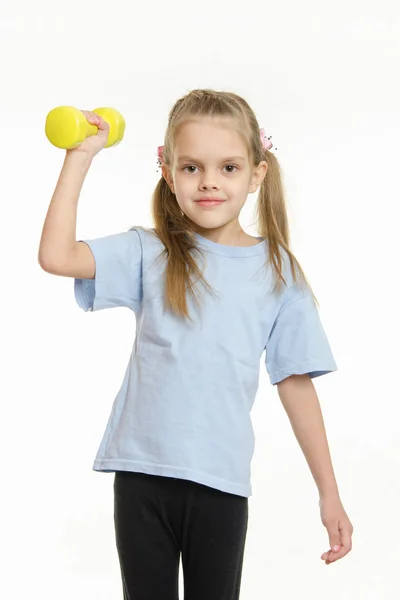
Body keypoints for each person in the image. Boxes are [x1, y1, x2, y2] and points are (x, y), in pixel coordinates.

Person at [38, 88, 353, 599]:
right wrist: (81, 156)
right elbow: (56, 256)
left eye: (228, 167)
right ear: (168, 171)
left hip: (220, 486)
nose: (209, 181)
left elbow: (296, 384)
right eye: (192, 168)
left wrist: (329, 495)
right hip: (142, 476)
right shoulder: (151, 250)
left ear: (256, 173)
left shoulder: (278, 272)